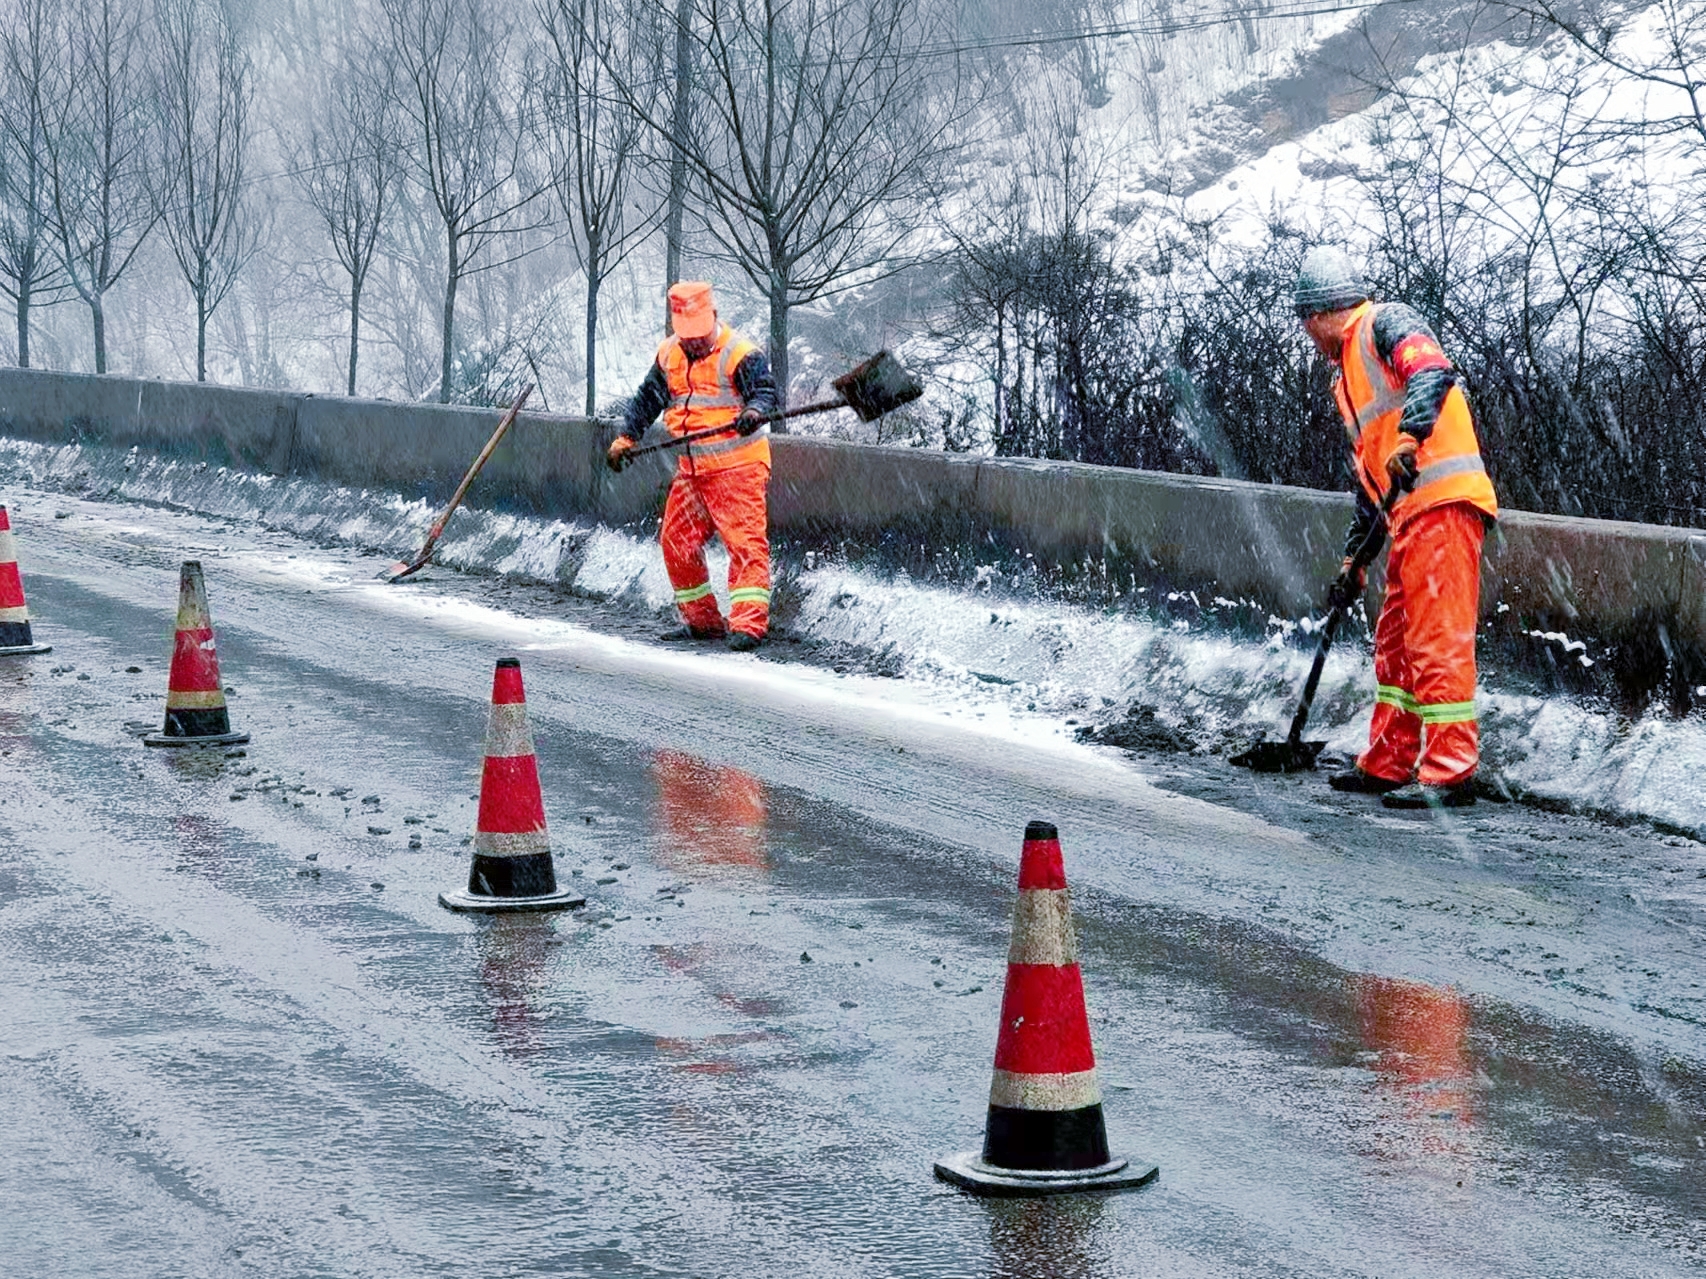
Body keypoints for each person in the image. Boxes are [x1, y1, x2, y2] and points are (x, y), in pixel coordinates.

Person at [1295, 247, 1499, 809]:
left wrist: (1412, 438)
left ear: (1316, 314)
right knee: (1396, 645)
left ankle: (1451, 773)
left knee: (1436, 641)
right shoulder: (1347, 380)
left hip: (1444, 502)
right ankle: (1388, 761)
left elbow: (1432, 372)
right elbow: (1372, 478)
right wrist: (1354, 560)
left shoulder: (1386, 322)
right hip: (1411, 514)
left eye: (1305, 323)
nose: (1309, 337)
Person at [608, 281, 779, 652]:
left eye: (699, 336)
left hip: (738, 467)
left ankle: (749, 625)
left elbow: (766, 392)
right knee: (676, 543)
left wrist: (753, 411)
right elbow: (647, 400)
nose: (694, 344)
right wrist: (626, 438)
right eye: (687, 337)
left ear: (714, 318)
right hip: (693, 469)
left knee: (745, 545)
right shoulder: (669, 354)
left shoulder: (740, 353)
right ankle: (703, 622)